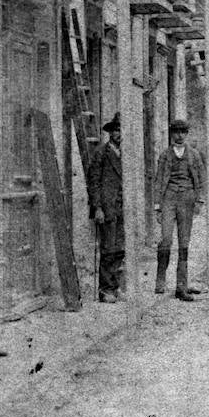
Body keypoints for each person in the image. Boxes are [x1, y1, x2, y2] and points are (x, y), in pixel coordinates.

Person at [154, 118, 206, 302]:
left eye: (183, 132)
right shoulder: (164, 155)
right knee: (166, 239)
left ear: (186, 134)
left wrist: (199, 199)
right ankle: (160, 279)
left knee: (184, 242)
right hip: (168, 198)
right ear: (171, 134)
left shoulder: (194, 155)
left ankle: (181, 285)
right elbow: (159, 180)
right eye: (176, 132)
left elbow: (200, 178)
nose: (179, 135)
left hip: (187, 199)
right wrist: (157, 206)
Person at [89, 113, 124, 304]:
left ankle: (115, 286)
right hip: (107, 207)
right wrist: (98, 208)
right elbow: (93, 182)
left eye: (122, 130)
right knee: (108, 249)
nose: (120, 133)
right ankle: (105, 290)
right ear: (110, 132)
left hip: (121, 207)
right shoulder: (101, 153)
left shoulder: (126, 153)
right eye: (117, 130)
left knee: (120, 249)